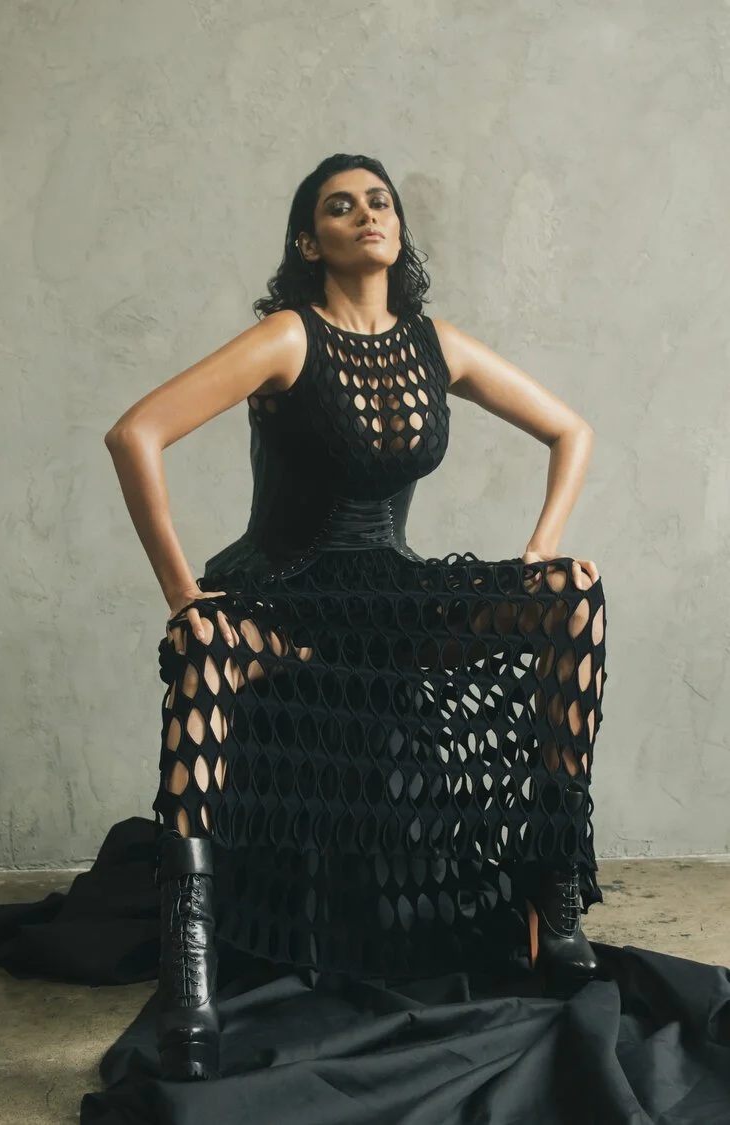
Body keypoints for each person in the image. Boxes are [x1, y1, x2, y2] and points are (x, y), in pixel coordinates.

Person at [102, 152, 606, 1083]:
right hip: (283, 598)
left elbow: (570, 429)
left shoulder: (435, 343)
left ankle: (555, 890)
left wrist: (542, 545)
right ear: (311, 238)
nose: (366, 213)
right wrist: (184, 595)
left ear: (398, 229)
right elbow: (135, 433)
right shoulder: (289, 337)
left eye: (379, 201)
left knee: (571, 594)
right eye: (341, 206)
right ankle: (193, 969)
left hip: (390, 600)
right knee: (203, 650)